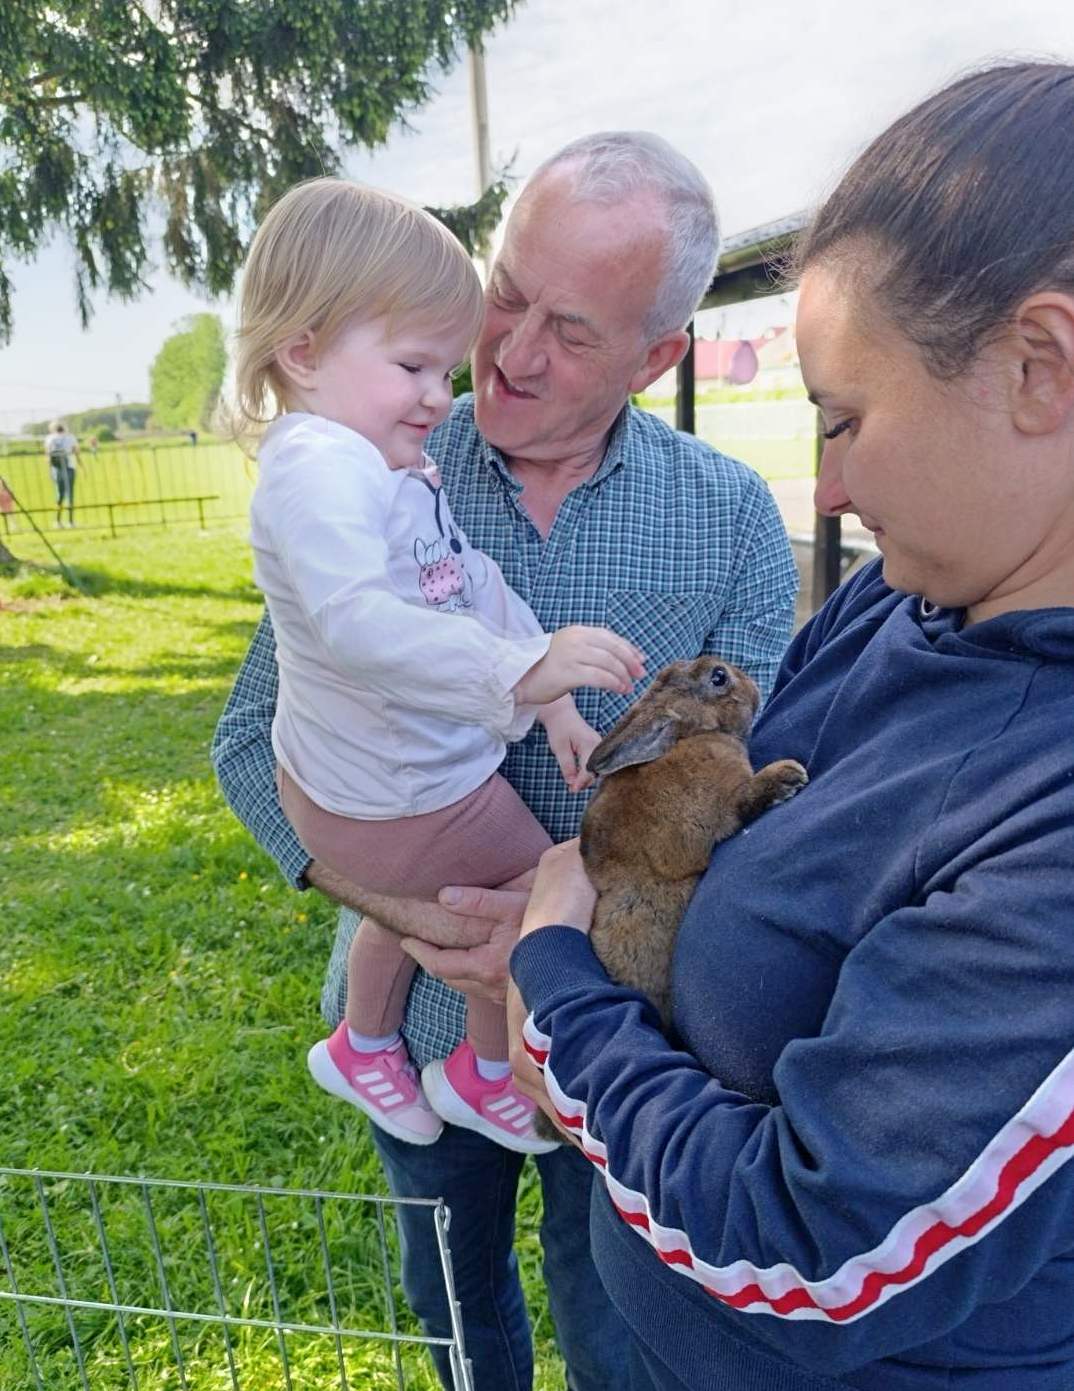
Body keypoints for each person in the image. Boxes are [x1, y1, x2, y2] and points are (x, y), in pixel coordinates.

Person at [507, 63, 1074, 1391]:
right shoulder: (903, 598)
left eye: (846, 420)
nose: (824, 486)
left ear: (1038, 366)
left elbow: (814, 1250)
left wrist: (559, 1003)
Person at [213, 130, 798, 1391]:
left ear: (657, 357)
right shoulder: (369, 459)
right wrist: (404, 912)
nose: (511, 353)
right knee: (460, 1310)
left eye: (570, 330)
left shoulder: (733, 518)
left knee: (613, 1331)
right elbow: (251, 743)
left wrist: (561, 950)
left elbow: (757, 799)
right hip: (420, 1022)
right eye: (507, 295)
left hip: (617, 1037)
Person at [238, 178, 645, 1154]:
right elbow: (355, 624)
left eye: (443, 366)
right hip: (397, 792)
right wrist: (518, 673)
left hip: (396, 785)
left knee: (432, 897)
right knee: (542, 884)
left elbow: (469, 585)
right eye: (413, 363)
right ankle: (483, 1069)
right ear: (303, 351)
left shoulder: (382, 464)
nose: (442, 392)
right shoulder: (319, 467)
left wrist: (551, 698)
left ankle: (365, 1042)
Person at [43, 420, 81, 527]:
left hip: (56, 469)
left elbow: (47, 456)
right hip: (70, 467)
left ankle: (58, 521)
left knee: (59, 494)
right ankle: (71, 521)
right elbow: (76, 451)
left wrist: (49, 471)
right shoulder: (71, 437)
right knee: (70, 494)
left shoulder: (49, 438)